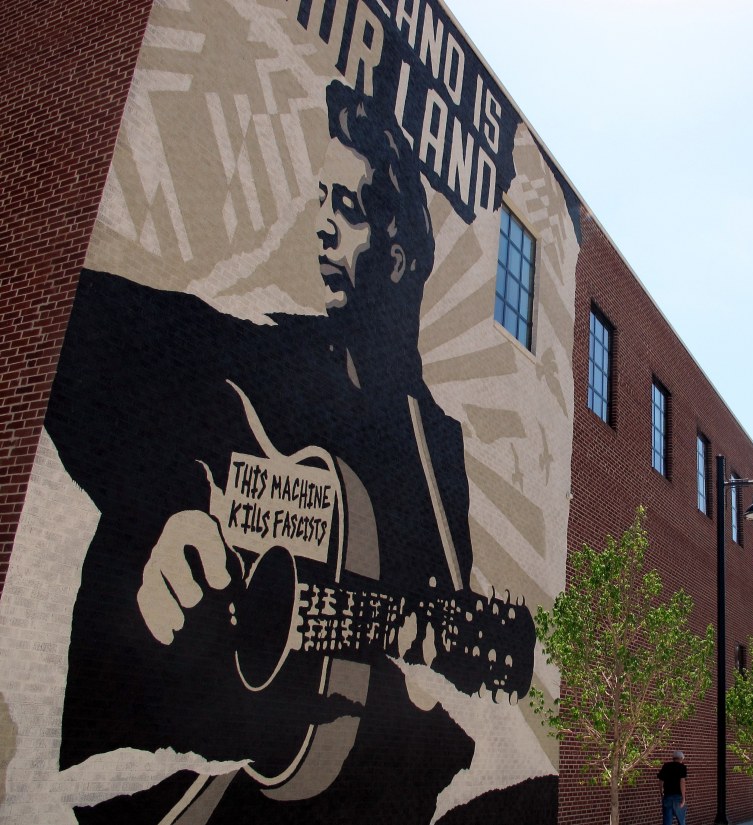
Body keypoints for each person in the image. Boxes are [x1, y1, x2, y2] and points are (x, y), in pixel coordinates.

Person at [45, 80, 545, 824]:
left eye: (347, 210)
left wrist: (426, 675)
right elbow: (76, 319)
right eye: (321, 202)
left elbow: (411, 680)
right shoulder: (267, 359)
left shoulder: (435, 454)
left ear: (399, 255)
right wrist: (170, 501)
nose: (322, 229)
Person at [657, 750, 687, 825]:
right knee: (681, 821)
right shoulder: (682, 767)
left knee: (667, 822)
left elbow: (661, 781)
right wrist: (683, 798)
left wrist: (661, 794)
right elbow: (682, 782)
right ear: (681, 758)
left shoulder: (666, 766)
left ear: (673, 758)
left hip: (667, 796)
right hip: (678, 797)